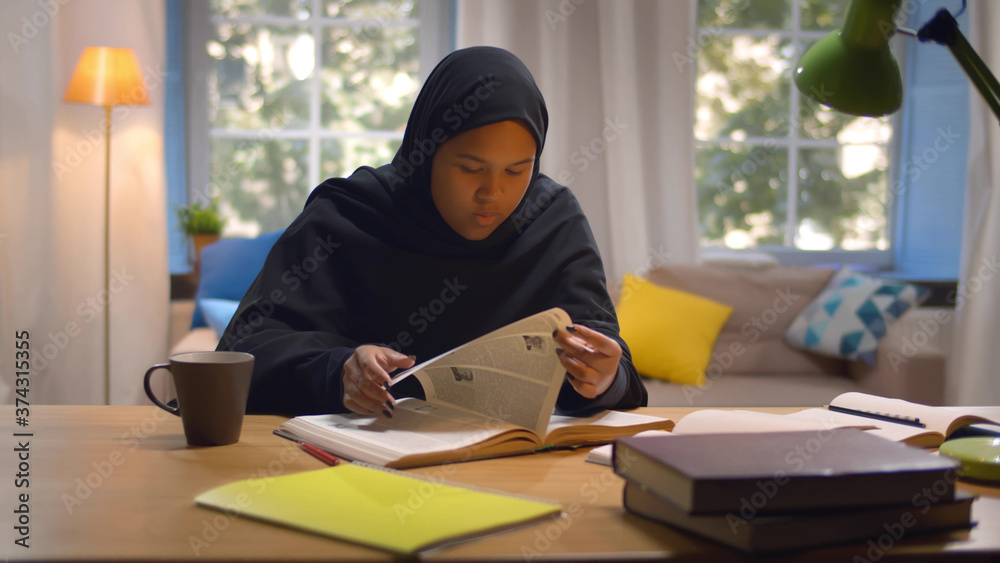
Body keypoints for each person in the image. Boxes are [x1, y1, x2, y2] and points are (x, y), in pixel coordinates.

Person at [218, 46, 647, 417]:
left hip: (512, 475)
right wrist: (338, 369)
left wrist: (604, 377)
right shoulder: (347, 218)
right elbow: (242, 354)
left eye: (518, 171)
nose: (492, 193)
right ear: (425, 153)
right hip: (353, 471)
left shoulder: (552, 222)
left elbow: (609, 360)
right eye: (470, 168)